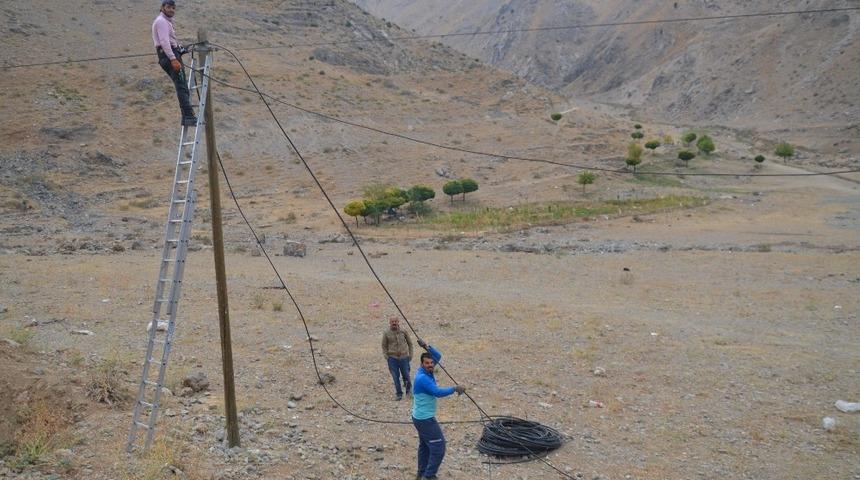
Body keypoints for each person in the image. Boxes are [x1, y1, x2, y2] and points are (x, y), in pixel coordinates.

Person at [412, 339, 466, 480]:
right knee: (438, 447)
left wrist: (427, 346)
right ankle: (429, 476)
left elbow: (438, 356)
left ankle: (421, 474)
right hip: (425, 419)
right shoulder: (422, 378)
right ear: (421, 364)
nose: (431, 365)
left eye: (431, 363)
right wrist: (454, 388)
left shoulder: (426, 371)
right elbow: (437, 392)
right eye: (427, 363)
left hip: (420, 417)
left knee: (425, 446)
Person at [152, 0, 196, 126]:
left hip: (170, 54)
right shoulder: (161, 21)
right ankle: (188, 116)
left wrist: (181, 50)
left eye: (173, 8)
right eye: (169, 7)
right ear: (162, 8)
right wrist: (173, 58)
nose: (171, 10)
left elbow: (170, 42)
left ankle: (187, 115)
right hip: (169, 55)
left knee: (181, 84)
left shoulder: (166, 22)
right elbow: (165, 42)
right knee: (181, 86)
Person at [381, 316, 413, 400]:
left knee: (406, 375)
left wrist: (410, 355)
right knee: (395, 377)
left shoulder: (403, 331)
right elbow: (384, 345)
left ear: (398, 322)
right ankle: (399, 394)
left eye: (396, 321)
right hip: (392, 358)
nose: (394, 323)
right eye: (392, 322)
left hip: (404, 357)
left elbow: (410, 344)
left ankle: (408, 391)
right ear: (390, 323)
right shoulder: (386, 333)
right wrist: (386, 356)